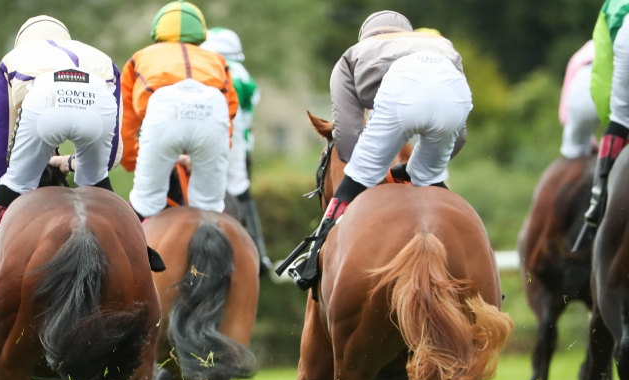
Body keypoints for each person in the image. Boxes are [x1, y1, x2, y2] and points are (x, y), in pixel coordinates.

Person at [279, 11, 472, 291]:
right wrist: (413, 170)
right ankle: (480, 263)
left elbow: (346, 137)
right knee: (432, 181)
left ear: (366, 37)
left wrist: (368, 174)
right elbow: (459, 138)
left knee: (355, 178)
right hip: (452, 98)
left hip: (399, 95)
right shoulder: (442, 45)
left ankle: (311, 261)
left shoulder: (352, 56)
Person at [0, 16, 125, 304]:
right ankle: (143, 254)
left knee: (13, 181)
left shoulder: (13, 60)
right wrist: (70, 163)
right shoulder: (102, 59)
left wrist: (14, 178)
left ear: (22, 42)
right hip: (98, 97)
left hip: (44, 98)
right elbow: (111, 158)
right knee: (97, 182)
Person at [120, 1, 239, 220]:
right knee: (212, 210)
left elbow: (126, 120)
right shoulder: (217, 60)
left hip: (163, 120)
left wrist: (133, 159)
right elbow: (228, 115)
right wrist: (208, 156)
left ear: (157, 32)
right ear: (201, 33)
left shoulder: (140, 57)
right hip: (209, 118)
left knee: (144, 205)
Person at [200, 26, 273, 274]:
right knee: (240, 189)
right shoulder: (242, 75)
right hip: (237, 141)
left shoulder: (200, 66)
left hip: (198, 136)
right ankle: (259, 253)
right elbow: (249, 109)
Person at [577, 0, 629, 250]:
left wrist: (614, 118)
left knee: (620, 117)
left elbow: (602, 84)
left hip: (625, 34)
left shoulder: (613, 6)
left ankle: (597, 202)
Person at [561, 41, 599, 160]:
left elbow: (564, 116)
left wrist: (588, 141)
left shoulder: (582, 53)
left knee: (573, 149)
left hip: (584, 84)